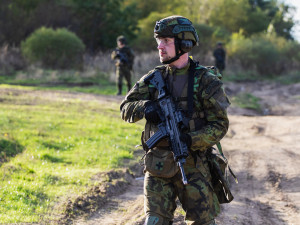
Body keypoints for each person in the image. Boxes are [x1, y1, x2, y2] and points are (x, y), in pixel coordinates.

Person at [120, 15, 230, 225]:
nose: (160, 47)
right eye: (158, 41)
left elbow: (220, 125)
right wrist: (146, 107)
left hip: (194, 165)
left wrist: (190, 140)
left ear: (184, 44)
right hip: (158, 164)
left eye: (167, 41)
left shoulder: (207, 81)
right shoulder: (154, 79)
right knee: (154, 221)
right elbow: (125, 108)